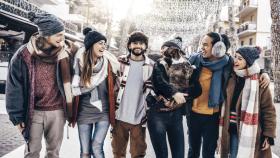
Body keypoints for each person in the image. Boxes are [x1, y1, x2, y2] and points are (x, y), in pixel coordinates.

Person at [187, 32, 270, 158]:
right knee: (193, 151)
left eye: (205, 45)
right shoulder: (194, 60)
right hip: (193, 114)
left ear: (217, 47)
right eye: (201, 44)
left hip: (213, 117)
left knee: (208, 153)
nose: (202, 47)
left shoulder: (227, 63)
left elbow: (246, 65)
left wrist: (263, 73)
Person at [5, 12, 77, 158]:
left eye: (63, 34)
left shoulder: (67, 53)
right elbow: (14, 87)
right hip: (33, 112)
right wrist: (16, 117)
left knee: (53, 153)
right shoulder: (23, 54)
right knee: (32, 152)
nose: (62, 39)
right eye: (58, 35)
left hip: (58, 112)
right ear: (46, 34)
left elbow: (83, 69)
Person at [146, 37, 201, 158]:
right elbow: (159, 82)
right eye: (163, 48)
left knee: (179, 155)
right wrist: (174, 93)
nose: (164, 51)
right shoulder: (159, 64)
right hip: (157, 114)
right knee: (162, 155)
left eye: (167, 48)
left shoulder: (187, 66)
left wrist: (183, 97)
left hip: (175, 116)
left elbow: (196, 89)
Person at [218, 46, 276, 158]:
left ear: (248, 61)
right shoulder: (231, 76)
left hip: (250, 132)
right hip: (231, 129)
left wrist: (268, 135)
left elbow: (268, 110)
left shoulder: (259, 82)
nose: (235, 61)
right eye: (235, 57)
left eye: (240, 58)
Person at [71, 27, 119, 158]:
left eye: (105, 43)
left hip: (103, 113)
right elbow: (73, 89)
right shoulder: (78, 64)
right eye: (100, 43)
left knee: (97, 147)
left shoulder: (109, 65)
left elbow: (117, 86)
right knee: (85, 152)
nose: (103, 46)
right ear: (91, 44)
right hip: (84, 112)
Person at [111, 31, 154, 158]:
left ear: (145, 46)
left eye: (141, 43)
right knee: (118, 153)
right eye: (135, 43)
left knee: (138, 154)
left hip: (140, 118)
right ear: (129, 45)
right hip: (119, 116)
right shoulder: (119, 62)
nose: (138, 46)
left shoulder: (151, 66)